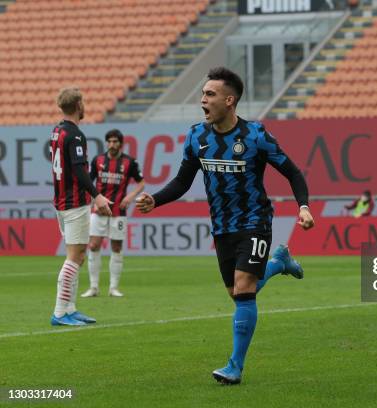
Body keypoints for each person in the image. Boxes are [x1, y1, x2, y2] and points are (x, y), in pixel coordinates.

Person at [135, 67, 315, 385]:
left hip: (254, 222)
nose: (202, 99)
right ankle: (277, 263)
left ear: (229, 100)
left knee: (245, 289)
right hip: (221, 227)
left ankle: (235, 366)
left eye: (210, 94)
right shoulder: (197, 136)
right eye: (203, 93)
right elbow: (181, 181)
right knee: (238, 293)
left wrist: (303, 207)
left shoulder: (255, 136)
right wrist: (156, 200)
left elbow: (293, 172)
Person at [49, 87, 112, 326]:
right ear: (78, 105)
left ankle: (70, 308)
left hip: (61, 202)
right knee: (75, 258)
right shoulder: (75, 134)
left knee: (77, 256)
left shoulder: (57, 131)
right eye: (83, 102)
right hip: (74, 203)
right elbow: (79, 169)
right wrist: (97, 196)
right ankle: (59, 312)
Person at [81, 129, 145, 298]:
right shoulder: (98, 160)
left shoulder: (130, 162)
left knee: (116, 247)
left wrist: (130, 197)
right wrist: (93, 199)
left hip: (118, 211)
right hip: (99, 210)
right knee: (93, 245)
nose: (112, 144)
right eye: (109, 141)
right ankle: (93, 287)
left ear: (121, 143)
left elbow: (141, 183)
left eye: (115, 141)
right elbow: (88, 182)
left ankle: (113, 288)